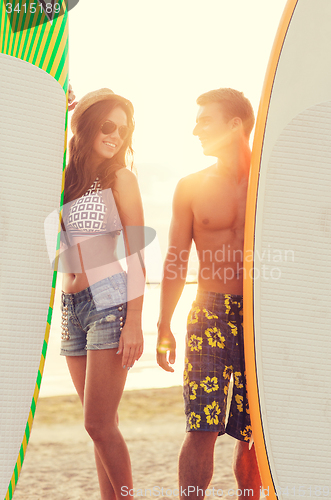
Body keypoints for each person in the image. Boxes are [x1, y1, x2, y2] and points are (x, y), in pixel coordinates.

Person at [156, 88, 261, 499]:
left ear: (235, 124)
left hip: (261, 316)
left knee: (253, 430)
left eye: (205, 120)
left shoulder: (270, 182)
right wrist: (163, 324)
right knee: (202, 424)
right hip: (209, 312)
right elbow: (176, 260)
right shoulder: (190, 186)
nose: (195, 129)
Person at [60, 87, 144, 499]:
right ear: (88, 125)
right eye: (108, 125)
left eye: (123, 130)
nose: (116, 136)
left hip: (109, 301)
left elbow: (137, 255)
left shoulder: (121, 178)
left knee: (99, 424)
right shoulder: (66, 178)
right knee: (99, 428)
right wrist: (55, 106)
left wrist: (136, 324)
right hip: (71, 305)